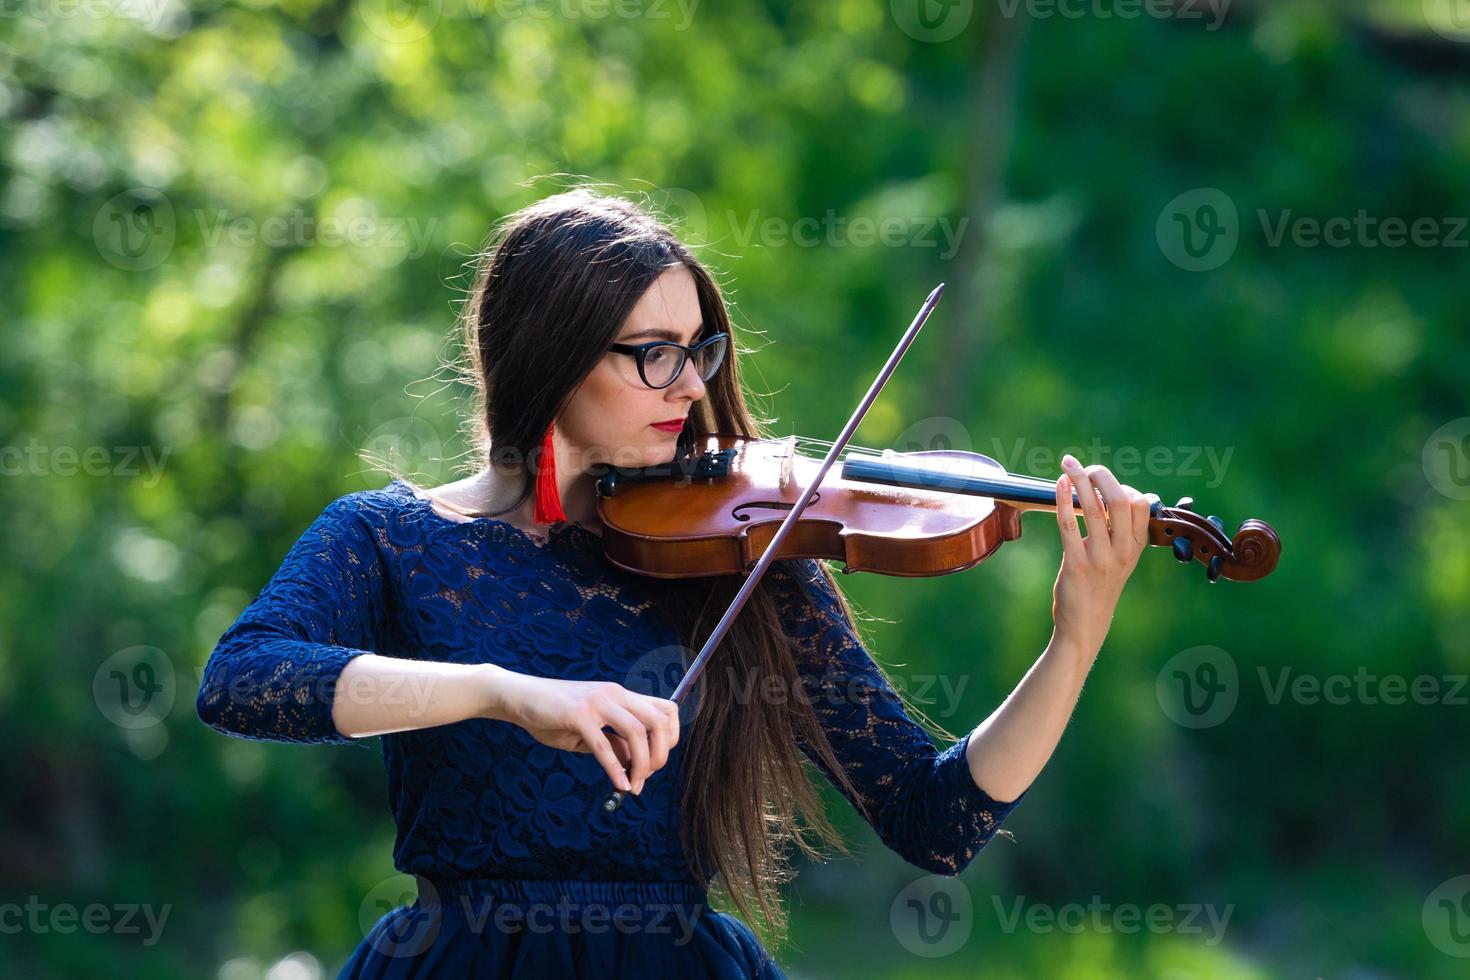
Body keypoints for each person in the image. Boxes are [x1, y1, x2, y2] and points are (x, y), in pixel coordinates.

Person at [195, 187, 1159, 978]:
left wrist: (1073, 644)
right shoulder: (391, 538)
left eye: (699, 350)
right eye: (653, 355)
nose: (692, 388)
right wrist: (502, 695)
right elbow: (245, 682)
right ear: (552, 354)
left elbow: (933, 816)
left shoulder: (744, 549)